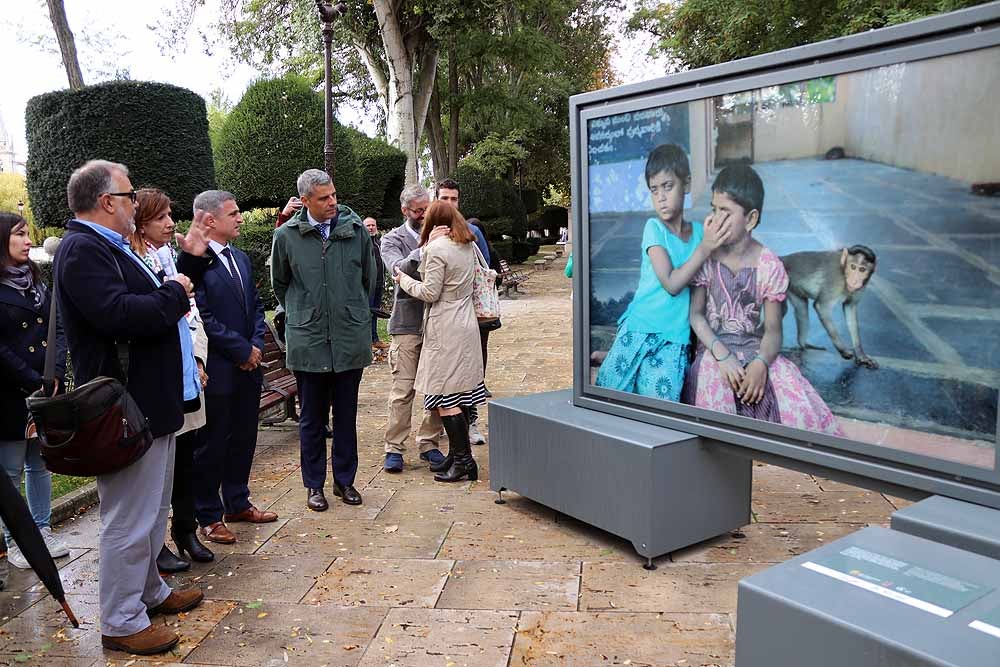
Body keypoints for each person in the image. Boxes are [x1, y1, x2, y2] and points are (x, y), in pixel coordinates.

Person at [55, 160, 209, 654]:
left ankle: (149, 592)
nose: (134, 204)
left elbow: (148, 303)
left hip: (149, 401)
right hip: (125, 406)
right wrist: (174, 292)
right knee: (129, 517)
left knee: (152, 509)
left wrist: (186, 274)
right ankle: (121, 621)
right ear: (106, 202)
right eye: (128, 196)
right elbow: (119, 315)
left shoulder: (108, 247)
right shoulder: (83, 251)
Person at [681, 165, 841, 435]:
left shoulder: (769, 265)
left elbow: (773, 332)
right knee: (715, 407)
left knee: (797, 412)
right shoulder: (707, 258)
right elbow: (696, 315)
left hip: (757, 351)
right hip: (716, 352)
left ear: (751, 219)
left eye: (726, 212)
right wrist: (721, 355)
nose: (716, 219)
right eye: (714, 209)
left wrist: (761, 363)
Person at [271, 169, 376, 509]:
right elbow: (280, 283)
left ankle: (345, 482)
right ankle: (313, 484)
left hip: (348, 336)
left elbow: (369, 278)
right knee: (312, 419)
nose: (332, 202)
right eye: (323, 198)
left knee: (346, 417)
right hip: (309, 340)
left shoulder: (355, 229)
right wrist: (305, 311)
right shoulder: (287, 235)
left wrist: (350, 309)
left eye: (333, 194)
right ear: (305, 202)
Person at [595, 143, 731, 400]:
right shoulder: (654, 229)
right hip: (640, 327)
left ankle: (608, 356)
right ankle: (609, 356)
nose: (661, 197)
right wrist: (704, 249)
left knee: (661, 397)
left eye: (668, 186)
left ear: (687, 184)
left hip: (674, 337)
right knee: (611, 389)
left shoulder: (701, 234)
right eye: (654, 190)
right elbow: (671, 283)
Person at [128, 189, 215, 569]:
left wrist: (196, 358)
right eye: (160, 216)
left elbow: (189, 311)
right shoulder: (131, 261)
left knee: (184, 459)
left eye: (170, 215)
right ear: (140, 221)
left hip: (184, 371)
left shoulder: (165, 256)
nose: (169, 223)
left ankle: (185, 529)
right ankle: (155, 543)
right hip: (157, 380)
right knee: (156, 468)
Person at [192, 191, 275, 546]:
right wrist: (241, 349)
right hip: (219, 367)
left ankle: (237, 502)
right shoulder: (196, 262)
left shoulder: (240, 258)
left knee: (244, 436)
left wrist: (255, 346)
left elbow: (256, 306)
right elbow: (203, 316)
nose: (240, 218)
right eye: (234, 213)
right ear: (210, 220)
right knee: (213, 443)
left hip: (248, 367)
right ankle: (208, 515)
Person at [393, 201, 486, 483]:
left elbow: (430, 292)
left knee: (445, 397)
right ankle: (457, 455)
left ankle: (464, 461)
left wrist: (403, 280)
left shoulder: (435, 249)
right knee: (457, 391)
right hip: (465, 321)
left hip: (445, 326)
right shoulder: (466, 244)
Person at [0, 212, 70, 570]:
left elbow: (57, 327)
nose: (28, 241)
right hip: (10, 393)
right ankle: (15, 540)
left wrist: (55, 372)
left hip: (45, 388)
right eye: (20, 234)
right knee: (10, 470)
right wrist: (31, 378)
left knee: (40, 463)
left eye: (27, 234)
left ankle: (42, 529)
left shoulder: (36, 281)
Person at [379, 185, 447, 473]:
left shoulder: (444, 233)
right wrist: (425, 248)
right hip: (407, 323)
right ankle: (393, 447)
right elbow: (398, 271)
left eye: (426, 208)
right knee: (403, 389)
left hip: (439, 322)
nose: (424, 215)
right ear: (405, 211)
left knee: (437, 388)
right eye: (419, 210)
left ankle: (429, 443)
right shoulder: (391, 240)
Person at [435, 179, 491, 446]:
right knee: (445, 378)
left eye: (453, 199)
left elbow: (483, 273)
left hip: (468, 315)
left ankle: (471, 422)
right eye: (444, 198)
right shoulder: (430, 234)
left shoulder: (471, 232)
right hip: (439, 320)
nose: (449, 204)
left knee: (472, 372)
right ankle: (446, 426)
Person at [364, 216, 389, 351]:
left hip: (379, 283)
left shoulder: (379, 243)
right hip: (368, 285)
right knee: (368, 312)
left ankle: (375, 339)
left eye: (373, 225)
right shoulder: (363, 244)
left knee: (375, 313)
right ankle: (367, 341)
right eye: (368, 226)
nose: (371, 228)